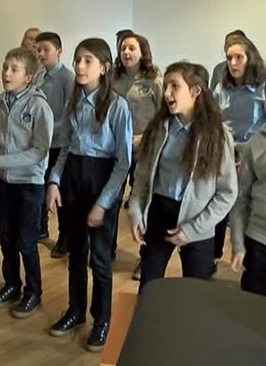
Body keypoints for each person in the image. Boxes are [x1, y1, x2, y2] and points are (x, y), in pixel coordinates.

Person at [46, 38, 132, 352]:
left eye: (88, 61)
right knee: (76, 255)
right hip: (74, 180)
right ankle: (75, 310)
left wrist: (104, 203)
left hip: (101, 182)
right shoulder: (74, 100)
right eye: (77, 60)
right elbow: (67, 147)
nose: (80, 67)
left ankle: (103, 319)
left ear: (104, 67)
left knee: (99, 260)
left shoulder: (117, 106)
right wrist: (54, 181)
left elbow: (123, 163)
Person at [129, 62, 237, 291]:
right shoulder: (158, 128)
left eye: (174, 86)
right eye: (166, 86)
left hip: (198, 222)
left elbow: (227, 193)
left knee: (195, 294)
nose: (166, 93)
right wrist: (137, 212)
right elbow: (142, 178)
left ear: (195, 91)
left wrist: (192, 230)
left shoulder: (218, 135)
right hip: (159, 215)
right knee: (148, 288)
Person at [0, 47, 53, 319]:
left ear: (28, 77)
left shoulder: (38, 106)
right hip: (5, 183)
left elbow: (38, 152)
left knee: (26, 242)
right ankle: (11, 284)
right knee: (7, 239)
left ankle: (34, 291)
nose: (6, 73)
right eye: (5, 67)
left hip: (29, 185)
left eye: (14, 69)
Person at [212, 35, 266, 275]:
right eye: (229, 58)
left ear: (250, 58)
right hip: (224, 151)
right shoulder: (222, 87)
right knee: (219, 203)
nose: (233, 63)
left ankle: (248, 254)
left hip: (253, 153)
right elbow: (213, 118)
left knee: (245, 203)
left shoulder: (262, 88)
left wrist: (249, 157)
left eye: (238, 57)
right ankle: (212, 256)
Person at [112, 31, 162, 280]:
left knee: (144, 204)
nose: (126, 52)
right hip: (117, 149)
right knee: (112, 197)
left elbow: (165, 115)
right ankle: (106, 248)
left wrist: (144, 137)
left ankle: (145, 257)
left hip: (145, 149)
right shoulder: (114, 79)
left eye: (132, 48)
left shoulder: (154, 81)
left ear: (143, 52)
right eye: (123, 48)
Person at [33, 31, 75, 254]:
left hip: (59, 143)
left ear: (58, 51)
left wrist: (49, 130)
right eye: (38, 50)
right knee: (40, 186)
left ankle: (65, 237)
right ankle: (41, 227)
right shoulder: (39, 75)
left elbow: (68, 114)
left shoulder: (67, 78)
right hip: (41, 143)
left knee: (58, 190)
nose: (41, 54)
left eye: (46, 50)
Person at [230, 123, 266, 296]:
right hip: (258, 244)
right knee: (252, 310)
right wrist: (238, 244)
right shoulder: (256, 143)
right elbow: (240, 200)